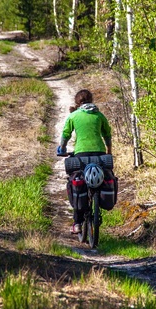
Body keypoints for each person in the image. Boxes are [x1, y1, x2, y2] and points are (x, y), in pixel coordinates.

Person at [57, 89, 112, 234]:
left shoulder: (74, 116)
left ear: (77, 102)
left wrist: (62, 148)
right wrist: (109, 150)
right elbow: (107, 134)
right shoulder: (100, 115)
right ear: (92, 100)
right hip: (100, 154)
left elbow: (65, 134)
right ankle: (99, 198)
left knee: (76, 181)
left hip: (81, 154)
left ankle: (77, 223)